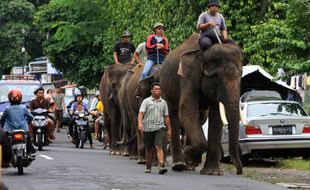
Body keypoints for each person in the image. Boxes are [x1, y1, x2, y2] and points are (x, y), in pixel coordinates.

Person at [138, 82, 172, 174]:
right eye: (156, 89)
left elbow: (166, 116)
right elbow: (141, 113)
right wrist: (140, 123)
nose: (158, 91)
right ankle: (148, 166)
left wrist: (169, 129)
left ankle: (161, 165)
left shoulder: (164, 103)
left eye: (159, 89)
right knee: (149, 148)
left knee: (159, 146)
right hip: (148, 128)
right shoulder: (146, 101)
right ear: (152, 91)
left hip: (160, 127)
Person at [0, 89, 36, 155]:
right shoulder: (24, 108)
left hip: (10, 130)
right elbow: (30, 117)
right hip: (23, 129)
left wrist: (2, 126)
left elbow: (2, 119)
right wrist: (27, 122)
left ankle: (6, 157)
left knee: (6, 143)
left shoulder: (7, 108)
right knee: (28, 139)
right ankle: (30, 151)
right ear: (20, 98)